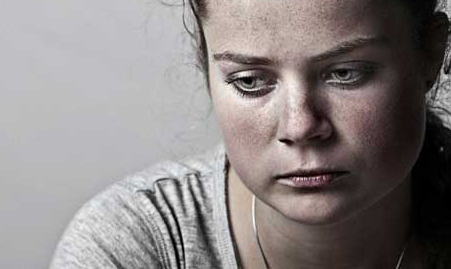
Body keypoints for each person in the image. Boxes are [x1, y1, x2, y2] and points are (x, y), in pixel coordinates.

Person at [50, 0, 451, 267]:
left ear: (431, 52)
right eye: (251, 81)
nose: (300, 127)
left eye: (345, 73)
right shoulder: (136, 246)